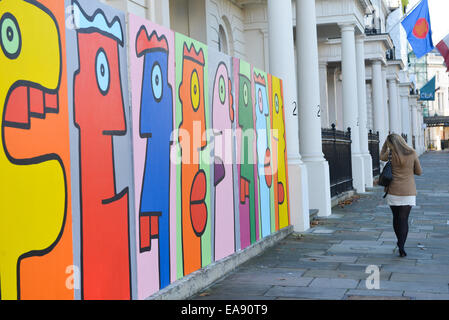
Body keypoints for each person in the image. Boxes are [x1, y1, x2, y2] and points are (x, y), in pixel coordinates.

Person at [380, 134, 422, 257]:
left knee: (396, 218)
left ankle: (399, 242)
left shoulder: (390, 155)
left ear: (390, 144)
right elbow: (419, 172)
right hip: (408, 191)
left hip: (393, 191)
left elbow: (381, 156)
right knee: (404, 219)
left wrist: (384, 145)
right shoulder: (412, 153)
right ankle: (402, 245)